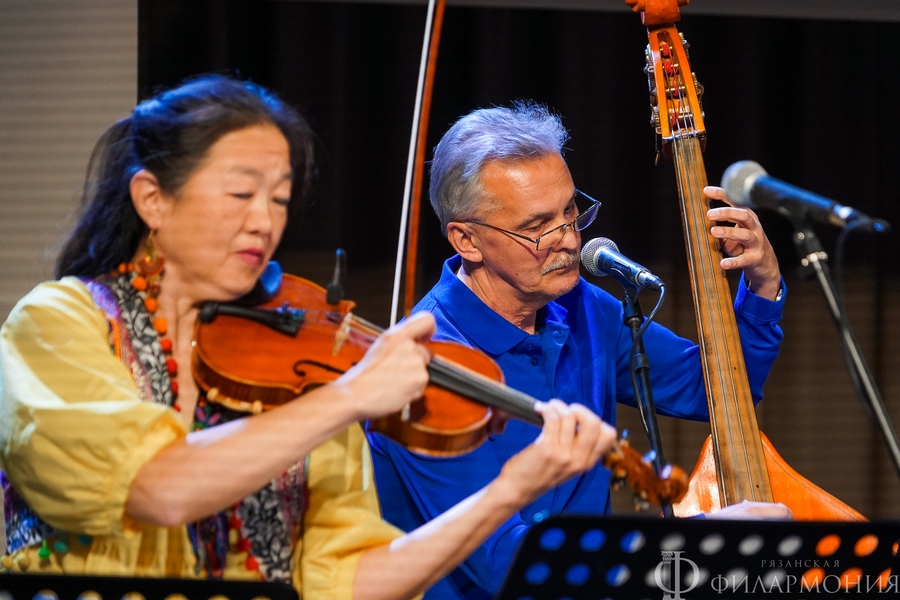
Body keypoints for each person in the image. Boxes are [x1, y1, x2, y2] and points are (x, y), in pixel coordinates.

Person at [0, 76, 619, 599]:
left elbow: (349, 581)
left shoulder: (302, 365)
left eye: (279, 199)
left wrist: (510, 491)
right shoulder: (60, 324)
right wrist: (349, 396)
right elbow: (156, 488)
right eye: (241, 193)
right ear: (152, 199)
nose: (264, 221)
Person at [367, 101, 790, 600]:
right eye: (537, 227)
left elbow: (712, 392)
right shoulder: (423, 370)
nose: (569, 240)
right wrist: (698, 544)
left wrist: (761, 288)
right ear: (467, 240)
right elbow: (505, 561)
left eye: (570, 211)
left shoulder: (580, 305)